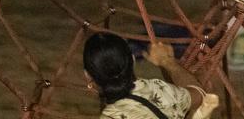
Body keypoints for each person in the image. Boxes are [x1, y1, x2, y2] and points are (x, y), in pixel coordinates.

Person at [83, 32, 218, 119]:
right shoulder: (157, 90)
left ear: (88, 76)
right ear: (133, 60)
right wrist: (166, 61)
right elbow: (199, 94)